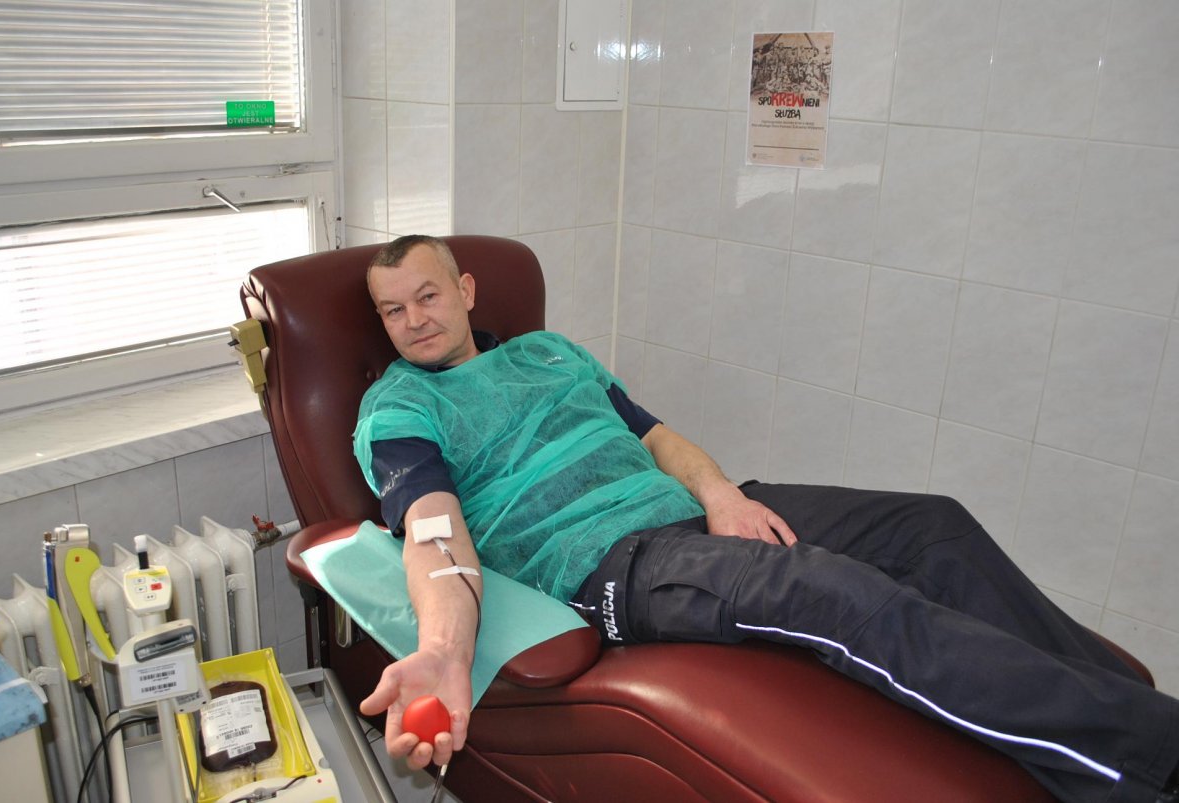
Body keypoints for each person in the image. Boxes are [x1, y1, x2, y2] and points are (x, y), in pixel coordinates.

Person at [353, 234, 1179, 803]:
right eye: (393, 311)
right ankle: (1149, 758)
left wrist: (721, 494)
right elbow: (432, 528)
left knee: (934, 529)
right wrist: (444, 649)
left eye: (428, 295)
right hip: (613, 563)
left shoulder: (549, 352)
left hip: (688, 512)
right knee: (836, 594)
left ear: (465, 290)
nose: (414, 320)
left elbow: (655, 437)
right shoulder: (400, 407)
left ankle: (1114, 709)